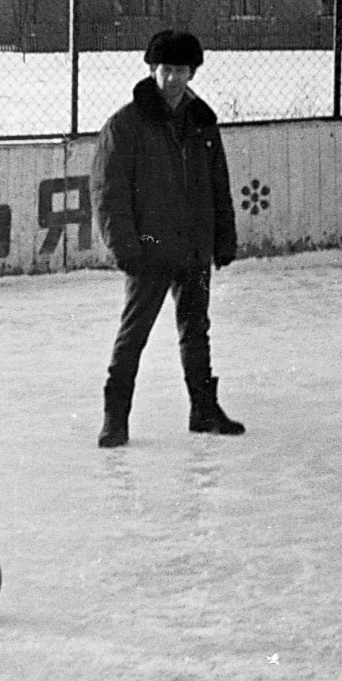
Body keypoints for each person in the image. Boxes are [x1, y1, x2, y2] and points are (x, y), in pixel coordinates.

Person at [90, 29, 243, 448]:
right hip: (150, 249)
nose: (172, 79)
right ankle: (115, 417)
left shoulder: (202, 122)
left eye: (180, 70)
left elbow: (218, 184)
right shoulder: (126, 125)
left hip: (193, 247)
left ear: (192, 72)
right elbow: (109, 192)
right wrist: (123, 246)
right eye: (165, 70)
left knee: (196, 331)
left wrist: (223, 237)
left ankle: (204, 410)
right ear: (151, 70)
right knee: (134, 333)